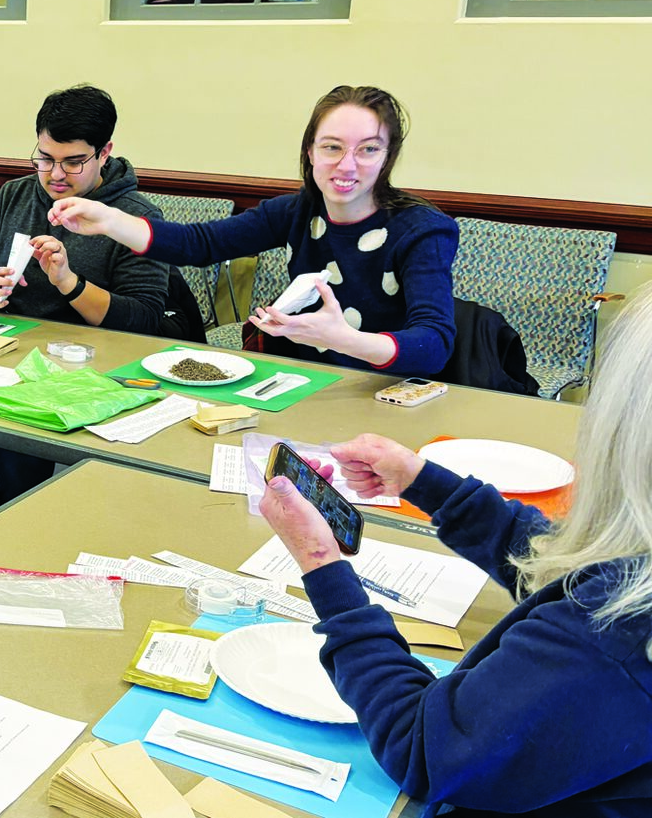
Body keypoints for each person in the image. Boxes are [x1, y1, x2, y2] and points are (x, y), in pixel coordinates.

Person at [256, 293, 652, 817]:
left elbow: (423, 748)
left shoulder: (617, 636)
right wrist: (424, 483)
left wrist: (320, 562)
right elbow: (562, 566)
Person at [49, 85, 457, 377]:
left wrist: (345, 338)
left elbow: (433, 345)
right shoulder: (299, 210)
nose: (347, 165)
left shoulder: (422, 230)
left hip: (387, 392)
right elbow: (200, 244)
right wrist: (110, 220)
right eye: (332, 147)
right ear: (310, 152)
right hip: (306, 381)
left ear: (387, 158)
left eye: (368, 149)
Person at [0, 85, 172, 525]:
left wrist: (68, 282)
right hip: (4, 354)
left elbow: (143, 320)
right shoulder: (16, 196)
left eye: (73, 162)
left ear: (105, 152)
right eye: (45, 158)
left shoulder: (134, 217)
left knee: (19, 449)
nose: (55, 175)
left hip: (87, 369)